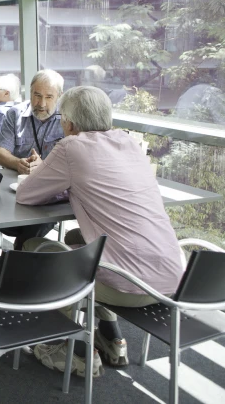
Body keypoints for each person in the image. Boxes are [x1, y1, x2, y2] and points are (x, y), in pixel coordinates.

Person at [17, 86, 185, 374]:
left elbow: (26, 195)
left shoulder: (71, 147)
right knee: (75, 239)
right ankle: (111, 335)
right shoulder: (129, 142)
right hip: (172, 279)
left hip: (128, 286)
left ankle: (61, 346)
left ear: (68, 122)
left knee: (35, 248)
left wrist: (54, 180)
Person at [0, 69, 65, 250]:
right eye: (37, 95)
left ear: (59, 96)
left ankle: (17, 262)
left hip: (49, 193)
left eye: (49, 97)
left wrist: (45, 166)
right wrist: (18, 163)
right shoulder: (15, 114)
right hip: (14, 189)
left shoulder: (67, 120)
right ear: (30, 92)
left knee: (35, 225)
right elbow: (0, 153)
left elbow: (71, 165)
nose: (41, 103)